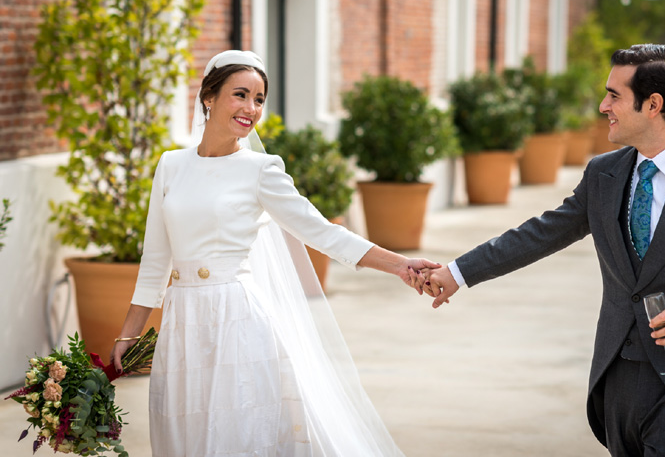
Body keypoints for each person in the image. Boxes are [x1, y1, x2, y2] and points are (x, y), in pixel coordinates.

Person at [423, 44, 665, 456]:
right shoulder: (603, 174)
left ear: (653, 105)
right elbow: (541, 233)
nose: (602, 105)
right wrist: (457, 273)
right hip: (616, 380)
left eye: (614, 95)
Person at [110, 50, 434, 456]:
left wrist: (402, 265)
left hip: (238, 322)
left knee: (236, 438)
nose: (251, 109)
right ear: (208, 96)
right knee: (183, 439)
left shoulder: (260, 170)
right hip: (182, 325)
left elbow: (324, 233)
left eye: (259, 99)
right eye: (240, 95)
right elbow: (155, 260)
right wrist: (129, 333)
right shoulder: (170, 165)